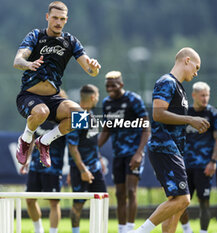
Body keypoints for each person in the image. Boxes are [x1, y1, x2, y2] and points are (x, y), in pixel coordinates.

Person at [128, 47, 210, 233]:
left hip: (173, 149)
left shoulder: (179, 87)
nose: (196, 73)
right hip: (163, 147)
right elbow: (158, 113)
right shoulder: (167, 82)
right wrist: (190, 119)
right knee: (183, 199)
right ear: (186, 60)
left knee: (177, 204)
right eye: (196, 67)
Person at [13, 1, 101, 167]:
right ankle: (25, 140)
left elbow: (90, 69)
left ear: (66, 20)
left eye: (62, 19)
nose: (58, 22)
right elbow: (17, 60)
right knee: (41, 112)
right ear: (47, 17)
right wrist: (28, 64)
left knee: (80, 117)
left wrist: (95, 69)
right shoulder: (36, 36)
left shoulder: (71, 41)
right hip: (29, 97)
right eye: (54, 18)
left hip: (53, 98)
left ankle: (45, 142)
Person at [98, 71, 150, 233]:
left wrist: (139, 153)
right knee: (120, 193)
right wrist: (93, 148)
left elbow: (146, 129)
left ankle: (130, 228)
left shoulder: (133, 100)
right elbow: (106, 130)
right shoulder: (106, 103)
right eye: (107, 86)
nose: (110, 88)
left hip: (134, 153)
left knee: (131, 190)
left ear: (121, 85)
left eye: (113, 85)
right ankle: (122, 230)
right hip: (118, 154)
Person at [20, 89, 68, 233]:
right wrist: (26, 161)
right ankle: (38, 230)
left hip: (53, 167)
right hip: (35, 166)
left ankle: (53, 232)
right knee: (29, 200)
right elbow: (31, 139)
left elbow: (73, 143)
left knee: (54, 202)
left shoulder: (65, 120)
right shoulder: (40, 115)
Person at [180, 81, 217, 233]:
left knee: (204, 202)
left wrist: (213, 162)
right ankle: (187, 230)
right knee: (179, 202)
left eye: (207, 95)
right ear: (194, 96)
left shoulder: (214, 114)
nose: (205, 98)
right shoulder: (185, 114)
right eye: (202, 95)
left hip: (204, 166)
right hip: (184, 166)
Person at [66, 84, 107, 233]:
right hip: (80, 170)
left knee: (102, 201)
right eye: (97, 95)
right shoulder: (79, 115)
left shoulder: (91, 115)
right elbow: (72, 147)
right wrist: (82, 170)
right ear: (92, 97)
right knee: (78, 204)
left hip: (95, 167)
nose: (98, 98)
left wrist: (99, 159)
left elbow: (92, 142)